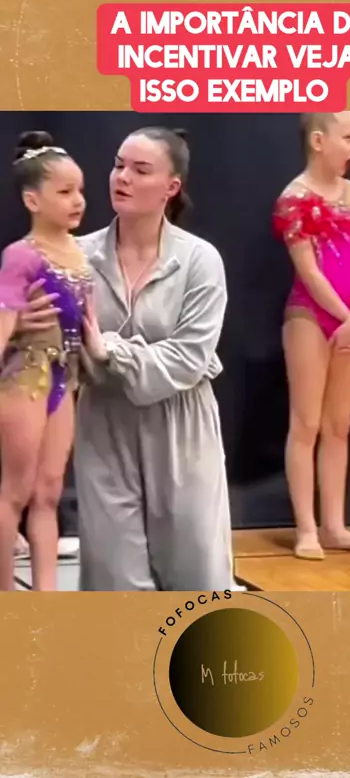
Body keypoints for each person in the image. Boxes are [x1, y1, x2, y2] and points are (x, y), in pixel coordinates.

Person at [18, 125, 234, 591]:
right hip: (104, 424)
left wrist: (108, 349)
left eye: (140, 170)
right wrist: (26, 324)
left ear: (171, 187)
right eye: (119, 165)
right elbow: (55, 353)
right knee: (115, 578)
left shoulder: (200, 260)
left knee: (195, 573)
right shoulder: (74, 256)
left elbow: (189, 357)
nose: (123, 177)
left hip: (181, 426)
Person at [273, 112, 350, 560]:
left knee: (339, 425)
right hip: (309, 317)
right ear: (319, 141)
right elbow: (309, 270)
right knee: (307, 423)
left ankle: (335, 525)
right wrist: (345, 317)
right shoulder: (293, 198)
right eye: (349, 138)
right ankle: (306, 528)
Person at [0, 130, 92, 591]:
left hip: (64, 380)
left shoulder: (79, 254)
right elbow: (5, 320)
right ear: (32, 200)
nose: (78, 201)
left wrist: (103, 353)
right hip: (25, 378)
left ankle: (47, 594)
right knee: (14, 493)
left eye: (80, 191)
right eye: (65, 192)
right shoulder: (22, 255)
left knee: (49, 492)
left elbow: (89, 326)